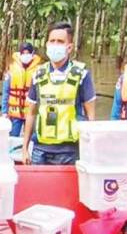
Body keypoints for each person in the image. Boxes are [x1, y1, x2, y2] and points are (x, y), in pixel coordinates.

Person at [22, 22, 96, 165]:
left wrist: (89, 149)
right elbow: (30, 113)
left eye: (60, 41)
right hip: (40, 149)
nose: (55, 45)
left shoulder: (81, 75)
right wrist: (25, 148)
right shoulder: (38, 74)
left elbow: (91, 117)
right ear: (47, 44)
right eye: (52, 41)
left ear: (69, 47)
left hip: (70, 150)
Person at [1, 42, 41, 136]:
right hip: (15, 112)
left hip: (31, 112)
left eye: (28, 53)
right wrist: (4, 111)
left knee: (33, 139)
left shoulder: (39, 70)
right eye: (24, 53)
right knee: (12, 138)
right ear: (20, 54)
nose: (26, 55)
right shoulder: (11, 69)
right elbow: (6, 92)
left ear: (32, 54)